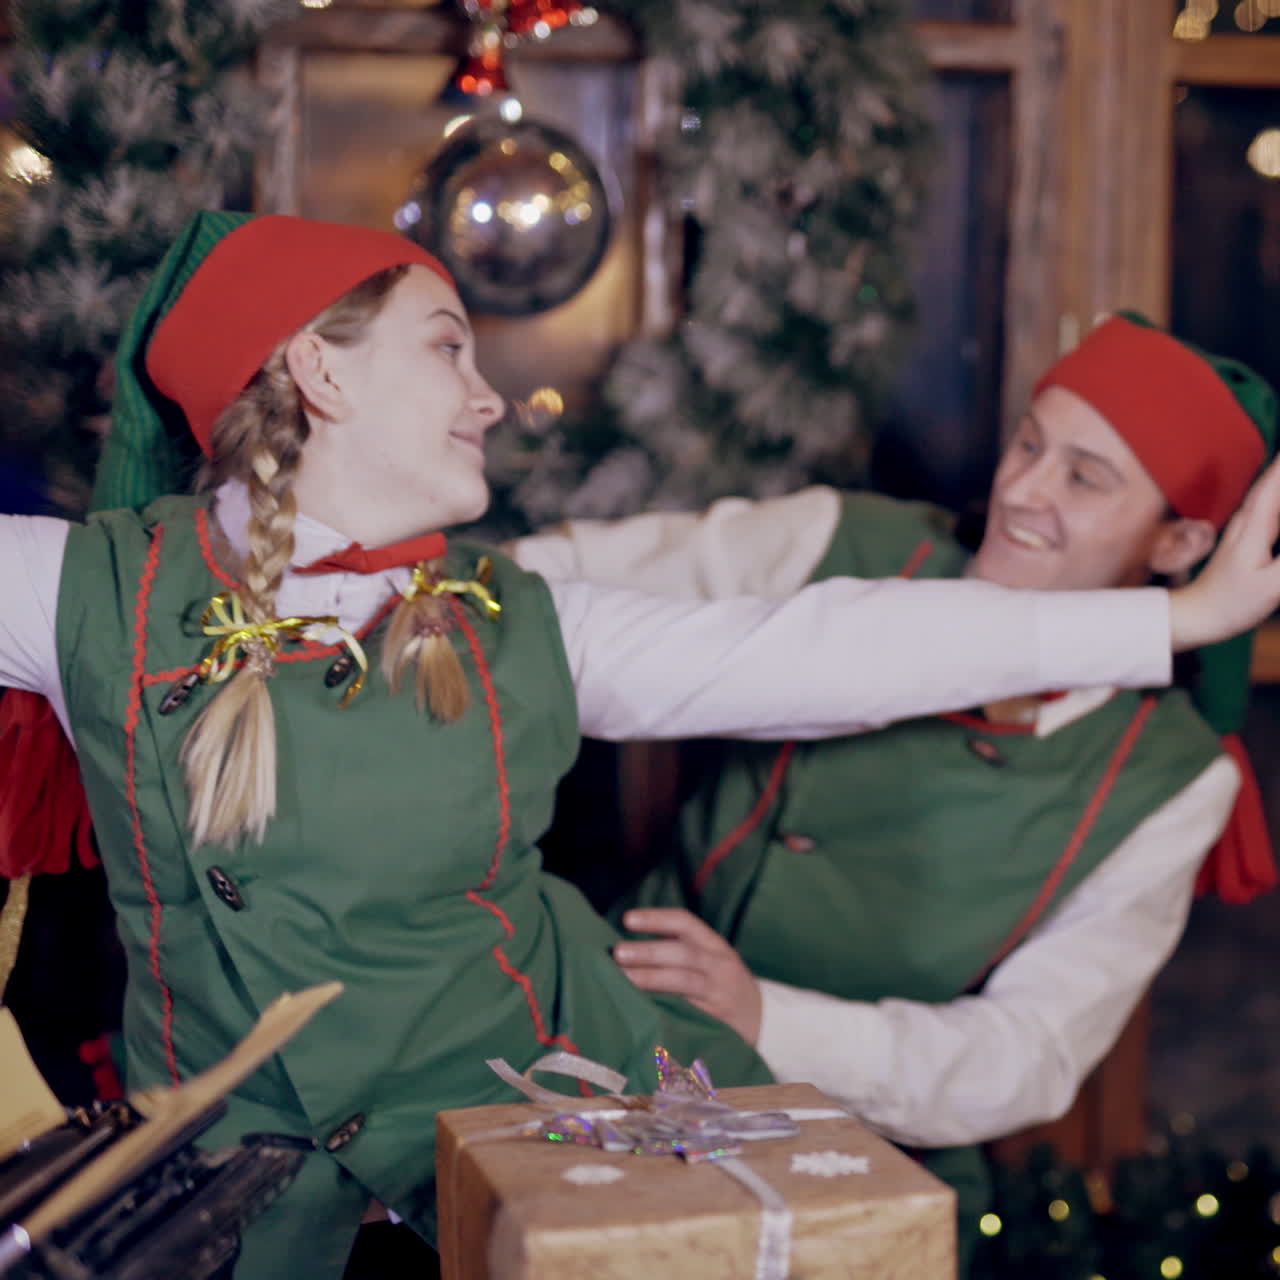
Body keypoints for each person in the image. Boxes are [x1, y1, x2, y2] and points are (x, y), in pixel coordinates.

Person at [1, 217, 1277, 1280]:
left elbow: (821, 648)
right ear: (322, 378)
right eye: (450, 347)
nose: (491, 395)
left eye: (1088, 476)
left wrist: (1180, 622)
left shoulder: (517, 617)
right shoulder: (92, 589)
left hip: (550, 1127)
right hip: (234, 1190)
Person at [510, 312, 1280, 1270]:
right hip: (600, 1053)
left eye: (1085, 478)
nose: (1024, 492)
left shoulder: (1172, 781)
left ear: (1178, 546)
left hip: (864, 1169)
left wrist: (769, 1020)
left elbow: (1027, 1056)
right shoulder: (847, 539)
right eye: (1029, 444)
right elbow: (573, 579)